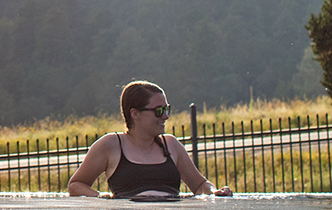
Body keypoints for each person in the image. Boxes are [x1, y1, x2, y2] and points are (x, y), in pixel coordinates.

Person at [67, 81, 233, 199]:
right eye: (159, 110)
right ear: (135, 114)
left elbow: (200, 186)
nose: (166, 116)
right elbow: (76, 185)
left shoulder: (171, 145)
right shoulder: (111, 145)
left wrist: (214, 193)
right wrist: (103, 198)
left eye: (167, 109)